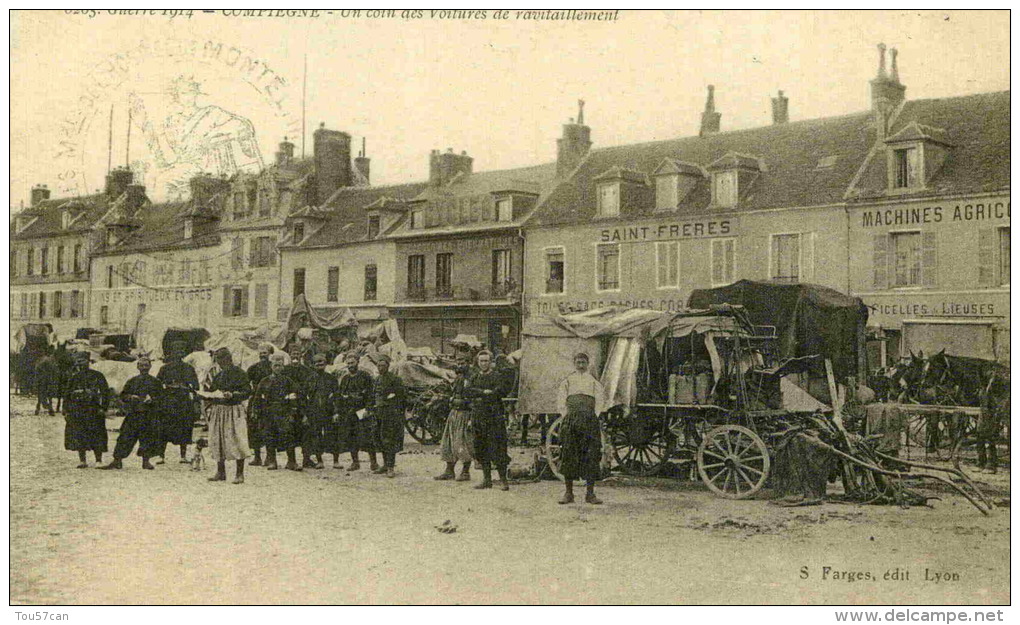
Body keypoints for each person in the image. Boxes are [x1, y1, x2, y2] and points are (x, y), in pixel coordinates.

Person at [555, 352, 607, 505]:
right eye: (578, 362)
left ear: (588, 363)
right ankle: (568, 493)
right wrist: (567, 416)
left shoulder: (593, 382)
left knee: (591, 455)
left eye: (583, 362)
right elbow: (561, 400)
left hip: (589, 421)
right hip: (571, 421)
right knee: (569, 454)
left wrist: (593, 416)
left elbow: (600, 400)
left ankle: (590, 494)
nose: (581, 365)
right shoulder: (568, 381)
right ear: (574, 363)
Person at [100, 356, 164, 470]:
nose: (144, 368)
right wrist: (130, 397)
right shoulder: (132, 381)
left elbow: (162, 398)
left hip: (149, 414)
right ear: (137, 367)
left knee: (148, 438)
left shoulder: (156, 382)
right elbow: (123, 395)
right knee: (125, 437)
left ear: (150, 366)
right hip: (134, 414)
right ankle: (117, 460)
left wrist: (153, 399)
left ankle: (146, 461)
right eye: (141, 365)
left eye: (146, 365)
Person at [465, 350, 513, 491]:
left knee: (498, 448)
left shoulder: (497, 376)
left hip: (494, 417)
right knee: (481, 447)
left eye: (486, 361)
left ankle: (504, 480)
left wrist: (483, 393)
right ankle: (487, 480)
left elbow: (500, 391)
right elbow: (468, 392)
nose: (484, 363)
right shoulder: (474, 377)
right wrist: (483, 392)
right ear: (478, 362)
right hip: (478, 416)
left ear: (491, 362)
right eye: (481, 361)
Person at [204, 347, 251, 484]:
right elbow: (212, 391)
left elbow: (247, 391)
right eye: (218, 360)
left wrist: (233, 395)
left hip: (234, 410)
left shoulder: (240, 373)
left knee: (237, 439)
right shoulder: (219, 376)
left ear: (229, 358)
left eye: (222, 359)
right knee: (218, 439)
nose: (220, 363)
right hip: (219, 410)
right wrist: (207, 396)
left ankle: (239, 473)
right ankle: (221, 471)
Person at [252, 352, 303, 471]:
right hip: (268, 413)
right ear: (271, 367)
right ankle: (272, 461)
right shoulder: (264, 381)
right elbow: (257, 397)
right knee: (270, 436)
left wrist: (292, 412)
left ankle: (291, 461)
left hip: (284, 412)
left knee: (288, 436)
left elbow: (294, 397)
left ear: (283, 367)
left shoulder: (288, 381)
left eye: (280, 366)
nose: (277, 368)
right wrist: (256, 411)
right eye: (275, 366)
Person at [63, 351, 110, 468]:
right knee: (79, 434)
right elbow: (67, 394)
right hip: (78, 410)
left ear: (88, 362)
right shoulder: (74, 378)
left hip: (93, 410)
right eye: (78, 361)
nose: (80, 363)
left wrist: (103, 407)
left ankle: (98, 460)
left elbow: (105, 393)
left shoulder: (98, 376)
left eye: (83, 360)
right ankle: (82, 460)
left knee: (97, 434)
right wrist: (66, 410)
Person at [155, 341, 200, 464]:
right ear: (172, 353)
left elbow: (196, 386)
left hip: (183, 399)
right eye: (176, 351)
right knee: (164, 427)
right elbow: (157, 385)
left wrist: (189, 391)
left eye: (181, 351)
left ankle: (183, 455)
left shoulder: (189, 368)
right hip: (168, 399)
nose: (179, 353)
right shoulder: (164, 368)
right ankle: (161, 456)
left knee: (184, 426)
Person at [335, 352, 377, 471]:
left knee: (367, 437)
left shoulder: (365, 376)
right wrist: (339, 411)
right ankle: (355, 462)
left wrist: (368, 409)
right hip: (349, 412)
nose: (350, 365)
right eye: (348, 363)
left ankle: (373, 462)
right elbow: (340, 396)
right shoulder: (345, 379)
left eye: (352, 363)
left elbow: (370, 395)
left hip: (362, 412)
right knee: (351, 437)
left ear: (358, 362)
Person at [435, 357, 474, 482]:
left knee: (461, 443)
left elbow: (473, 400)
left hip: (465, 414)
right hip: (454, 413)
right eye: (459, 363)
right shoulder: (458, 378)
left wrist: (471, 418)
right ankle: (449, 471)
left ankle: (465, 472)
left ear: (468, 364)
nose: (460, 366)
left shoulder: (471, 379)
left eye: (463, 363)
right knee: (449, 441)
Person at [282, 343, 319, 469]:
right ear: (290, 355)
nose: (295, 356)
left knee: (306, 432)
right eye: (293, 354)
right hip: (288, 405)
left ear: (301, 355)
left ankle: (306, 459)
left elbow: (311, 387)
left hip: (303, 406)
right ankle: (291, 460)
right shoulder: (284, 370)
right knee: (289, 432)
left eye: (297, 354)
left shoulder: (307, 371)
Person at [372, 355, 406, 478]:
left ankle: (391, 467)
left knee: (389, 440)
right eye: (378, 365)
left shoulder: (395, 379)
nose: (380, 368)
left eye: (383, 365)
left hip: (390, 414)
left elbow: (401, 396)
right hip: (378, 413)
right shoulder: (376, 380)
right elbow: (373, 396)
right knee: (380, 439)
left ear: (388, 366)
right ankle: (385, 464)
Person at [307, 353, 339, 469]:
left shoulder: (331, 378)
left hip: (329, 410)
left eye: (322, 362)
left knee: (333, 434)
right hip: (315, 411)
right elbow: (307, 397)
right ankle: (319, 460)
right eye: (317, 363)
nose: (319, 365)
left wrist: (336, 412)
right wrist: (307, 414)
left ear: (325, 364)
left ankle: (336, 461)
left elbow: (336, 396)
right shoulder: (310, 379)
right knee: (316, 435)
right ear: (313, 365)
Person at [246, 343, 275, 466]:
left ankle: (269, 457)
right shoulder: (252, 368)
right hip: (255, 400)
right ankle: (257, 457)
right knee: (253, 427)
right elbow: (246, 383)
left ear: (270, 354)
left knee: (268, 428)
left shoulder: (273, 368)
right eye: (261, 353)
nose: (262, 355)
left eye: (265, 353)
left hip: (268, 401)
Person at [34, 348, 59, 416]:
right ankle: (50, 409)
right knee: (49, 395)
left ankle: (38, 408)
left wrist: (37, 379)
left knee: (41, 393)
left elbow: (36, 370)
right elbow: (55, 371)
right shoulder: (52, 360)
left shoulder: (40, 360)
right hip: (48, 379)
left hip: (42, 379)